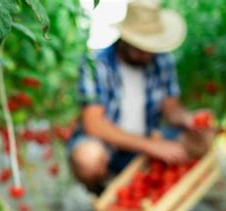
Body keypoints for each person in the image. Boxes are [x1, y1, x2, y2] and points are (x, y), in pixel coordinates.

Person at [69, 0, 214, 195]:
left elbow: (170, 108)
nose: (147, 54)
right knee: (87, 158)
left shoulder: (162, 60)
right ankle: (102, 190)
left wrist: (187, 118)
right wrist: (151, 145)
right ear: (125, 38)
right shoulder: (95, 64)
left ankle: (154, 185)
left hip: (149, 140)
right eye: (140, 47)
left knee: (204, 137)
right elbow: (93, 124)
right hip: (110, 148)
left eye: (151, 47)